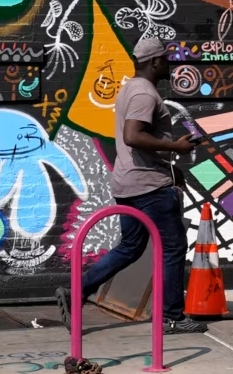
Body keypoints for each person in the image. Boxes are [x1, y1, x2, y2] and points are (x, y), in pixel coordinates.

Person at [56, 36, 208, 335]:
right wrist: (175, 148)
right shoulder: (145, 95)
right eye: (166, 59)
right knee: (173, 248)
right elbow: (133, 136)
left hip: (130, 181)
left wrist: (169, 167)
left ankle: (77, 291)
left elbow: (138, 143)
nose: (170, 64)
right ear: (154, 62)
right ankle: (172, 318)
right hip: (148, 186)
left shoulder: (130, 89)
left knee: (130, 247)